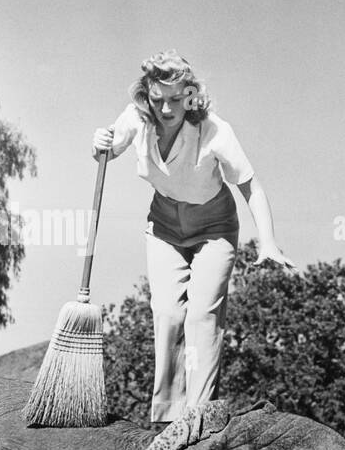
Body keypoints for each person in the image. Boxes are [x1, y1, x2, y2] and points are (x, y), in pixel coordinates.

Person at [93, 51, 293, 427]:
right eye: (157, 99)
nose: (166, 109)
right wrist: (99, 142)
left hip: (214, 227)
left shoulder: (215, 130)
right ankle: (167, 420)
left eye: (175, 99)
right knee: (167, 314)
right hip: (165, 224)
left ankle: (196, 417)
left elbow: (250, 184)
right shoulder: (137, 117)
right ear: (146, 95)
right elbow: (107, 149)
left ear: (190, 96)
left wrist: (267, 241)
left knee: (202, 315)